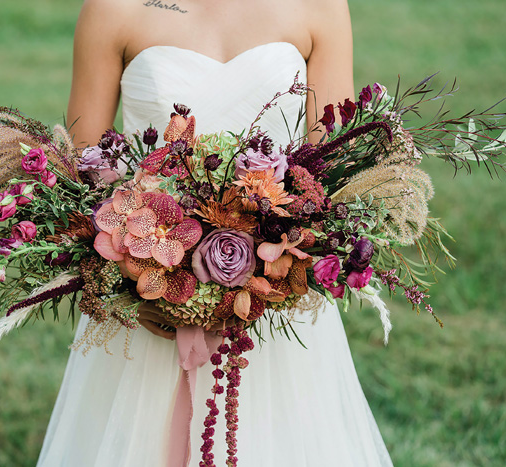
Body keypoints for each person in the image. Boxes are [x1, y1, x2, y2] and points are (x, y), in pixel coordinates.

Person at [39, 0, 393, 465]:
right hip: (144, 299)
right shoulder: (112, 7)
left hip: (274, 306)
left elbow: (332, 173)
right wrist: (133, 283)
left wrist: (275, 281)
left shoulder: (320, 6)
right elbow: (83, 173)